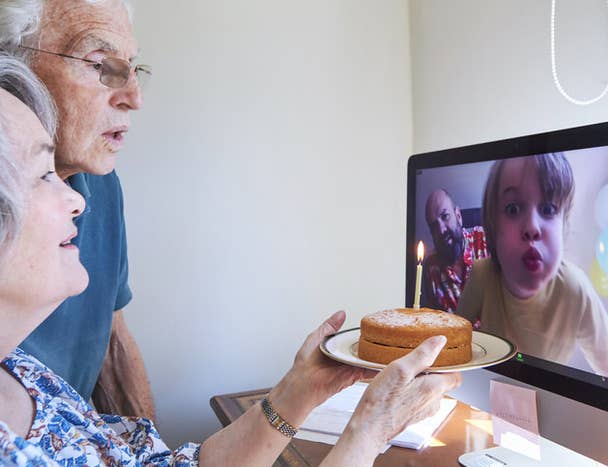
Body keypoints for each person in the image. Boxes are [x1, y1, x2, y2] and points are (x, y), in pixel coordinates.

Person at [0, 54, 462, 466]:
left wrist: (298, 391)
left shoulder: (22, 373)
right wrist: (368, 433)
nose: (77, 201)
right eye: (43, 175)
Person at [0, 0, 154, 418]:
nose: (133, 97)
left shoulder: (101, 184)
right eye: (99, 63)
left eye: (133, 67)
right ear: (13, 72)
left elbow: (110, 341)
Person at [456, 153, 608, 380]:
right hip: (493, 389)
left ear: (564, 225)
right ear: (492, 226)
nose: (532, 228)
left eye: (548, 209)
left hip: (550, 397)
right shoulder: (482, 275)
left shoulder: (575, 289)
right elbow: (454, 344)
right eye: (513, 209)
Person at [422, 188, 488, 312]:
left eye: (445, 216)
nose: (441, 230)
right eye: (434, 226)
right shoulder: (431, 269)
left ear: (458, 215)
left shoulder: (485, 241)